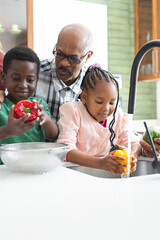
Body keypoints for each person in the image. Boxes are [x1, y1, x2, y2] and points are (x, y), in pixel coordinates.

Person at [57, 64, 141, 175]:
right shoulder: (73, 111)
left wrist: (132, 156)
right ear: (84, 97)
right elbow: (65, 150)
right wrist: (101, 163)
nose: (106, 108)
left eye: (111, 103)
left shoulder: (119, 117)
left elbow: (133, 142)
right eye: (99, 102)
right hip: (75, 175)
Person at [0, 46, 59, 164]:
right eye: (16, 78)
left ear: (36, 80)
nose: (23, 85)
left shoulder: (39, 105)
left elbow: (53, 135)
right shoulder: (1, 106)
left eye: (30, 80)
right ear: (3, 77)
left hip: (35, 165)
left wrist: (46, 120)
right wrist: (8, 130)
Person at [34, 23, 93, 123]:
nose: (64, 63)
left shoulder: (97, 83)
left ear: (87, 57)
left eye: (73, 58)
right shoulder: (34, 73)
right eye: (59, 54)